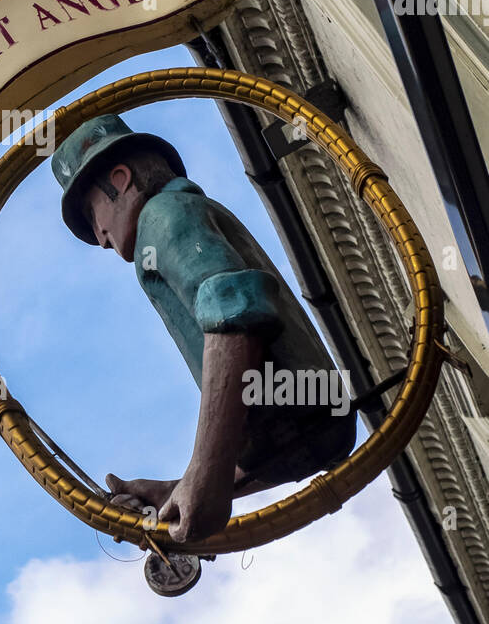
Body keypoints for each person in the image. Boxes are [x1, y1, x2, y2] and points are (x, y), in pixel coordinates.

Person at [51, 115, 357, 545]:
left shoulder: (162, 215)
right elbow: (297, 435)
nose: (100, 238)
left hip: (304, 415)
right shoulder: (182, 216)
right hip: (314, 422)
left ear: (119, 180)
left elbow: (235, 312)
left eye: (91, 212)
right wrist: (185, 488)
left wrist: (206, 472)